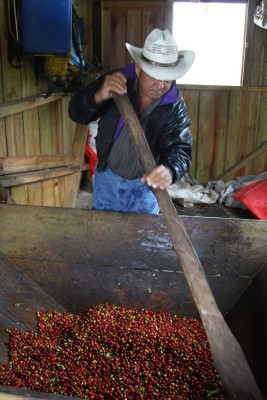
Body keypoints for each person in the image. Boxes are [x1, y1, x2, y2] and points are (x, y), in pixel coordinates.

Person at [68, 28, 195, 214]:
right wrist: (97, 97)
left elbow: (181, 149)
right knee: (104, 237)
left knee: (142, 240)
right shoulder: (115, 81)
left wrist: (170, 169)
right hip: (107, 180)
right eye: (154, 76)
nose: (161, 86)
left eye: (167, 79)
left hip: (144, 188)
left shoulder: (174, 106)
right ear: (137, 67)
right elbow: (75, 113)